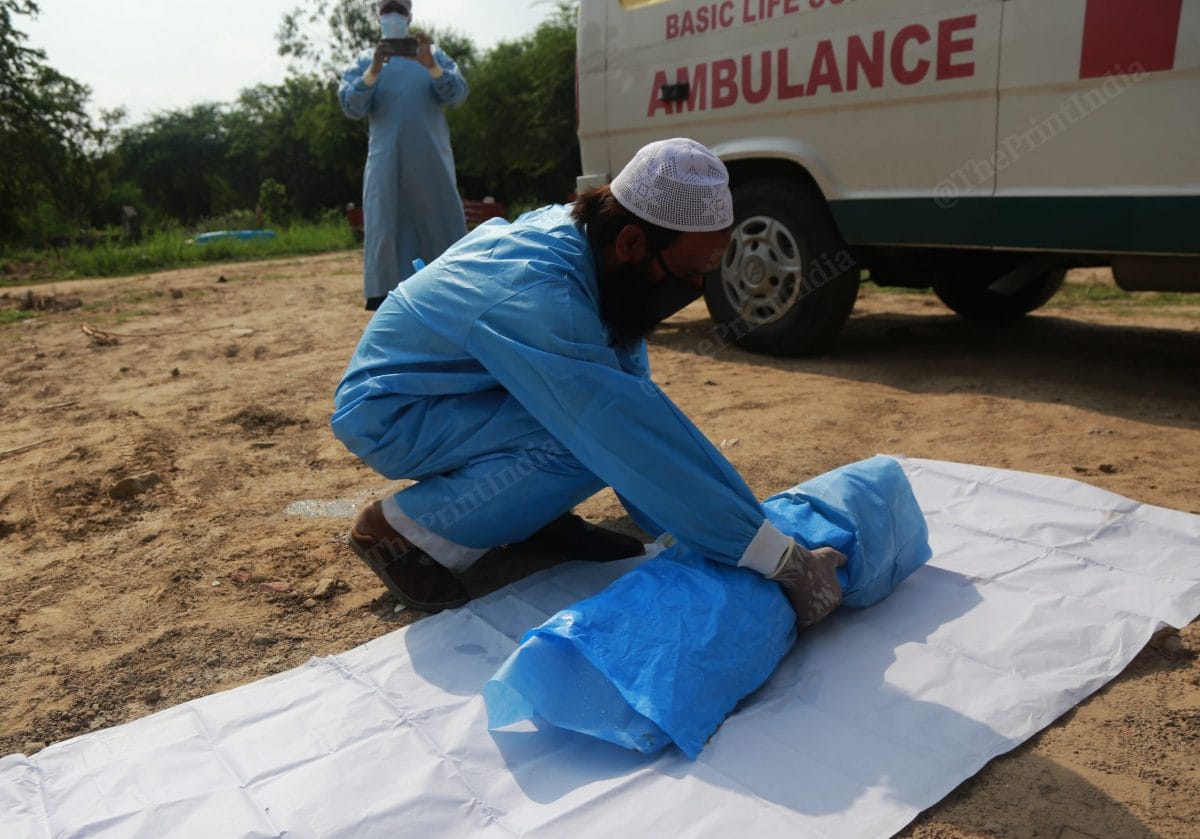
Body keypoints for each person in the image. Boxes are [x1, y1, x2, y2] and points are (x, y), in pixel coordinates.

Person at [331, 138, 846, 628]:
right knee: (581, 444)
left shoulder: (593, 252)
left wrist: (685, 534)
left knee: (600, 425)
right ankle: (403, 531)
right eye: (691, 273)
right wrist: (784, 562)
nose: (695, 290)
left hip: (462, 391)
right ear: (632, 242)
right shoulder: (542, 292)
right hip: (396, 412)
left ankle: (527, 518)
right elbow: (618, 430)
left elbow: (636, 397)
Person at [338, 0, 469, 311]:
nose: (392, 14)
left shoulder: (433, 55)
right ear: (377, 15)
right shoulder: (364, 61)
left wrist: (432, 67)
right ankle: (385, 297)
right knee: (387, 225)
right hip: (387, 165)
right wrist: (373, 71)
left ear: (410, 15)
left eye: (398, 7)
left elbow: (458, 94)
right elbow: (350, 106)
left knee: (439, 222)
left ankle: (449, 290)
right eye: (387, 9)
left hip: (431, 164)